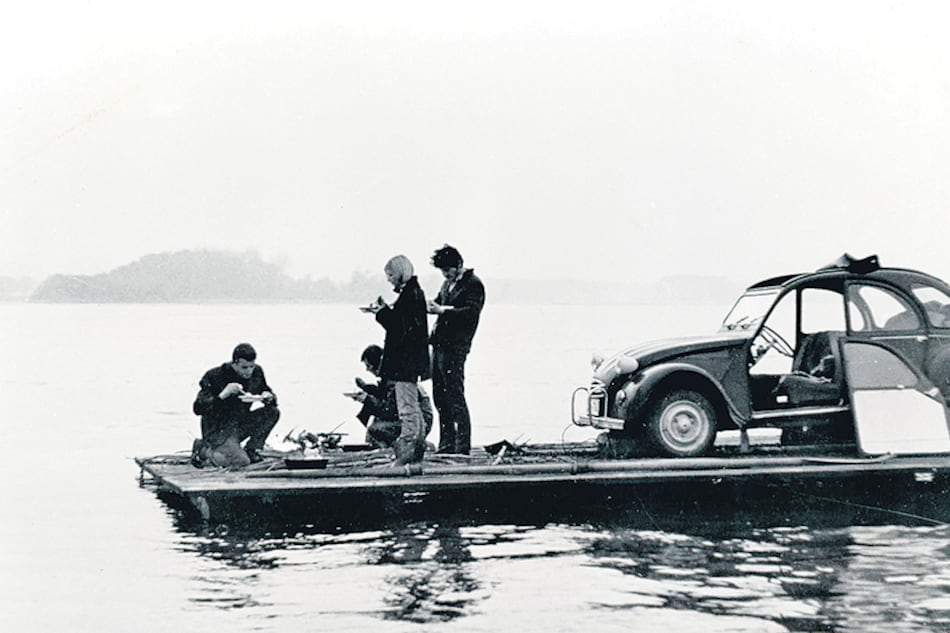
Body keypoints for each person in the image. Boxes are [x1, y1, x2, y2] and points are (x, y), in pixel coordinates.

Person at [363, 255, 430, 464]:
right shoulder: (413, 293)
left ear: (400, 273)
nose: (389, 280)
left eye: (391, 275)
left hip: (404, 363)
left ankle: (408, 451)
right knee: (411, 408)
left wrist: (381, 312)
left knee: (407, 409)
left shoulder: (410, 295)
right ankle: (415, 449)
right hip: (411, 362)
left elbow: (398, 327)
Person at [426, 244, 485, 454]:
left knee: (455, 396)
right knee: (440, 398)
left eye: (448, 271)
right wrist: (430, 306)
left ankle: (462, 448)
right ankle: (446, 445)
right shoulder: (446, 284)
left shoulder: (473, 284)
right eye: (442, 271)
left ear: (459, 265)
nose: (445, 275)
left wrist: (443, 310)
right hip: (440, 345)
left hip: (456, 347)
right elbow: (439, 302)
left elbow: (470, 313)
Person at [191, 342, 280, 468]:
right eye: (244, 367)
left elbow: (267, 393)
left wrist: (268, 397)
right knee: (241, 462)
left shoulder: (257, 372)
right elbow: (198, 408)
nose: (249, 371)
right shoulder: (215, 376)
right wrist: (223, 395)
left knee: (273, 412)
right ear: (235, 363)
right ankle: (203, 449)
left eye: (251, 366)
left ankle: (252, 449)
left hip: (239, 424)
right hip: (217, 429)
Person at [347, 344, 434, 448]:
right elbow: (386, 397)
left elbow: (388, 410)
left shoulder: (393, 380)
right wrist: (365, 388)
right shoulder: (392, 374)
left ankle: (411, 445)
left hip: (420, 421)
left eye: (368, 366)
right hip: (419, 418)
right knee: (376, 423)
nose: (367, 369)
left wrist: (366, 399)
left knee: (374, 428)